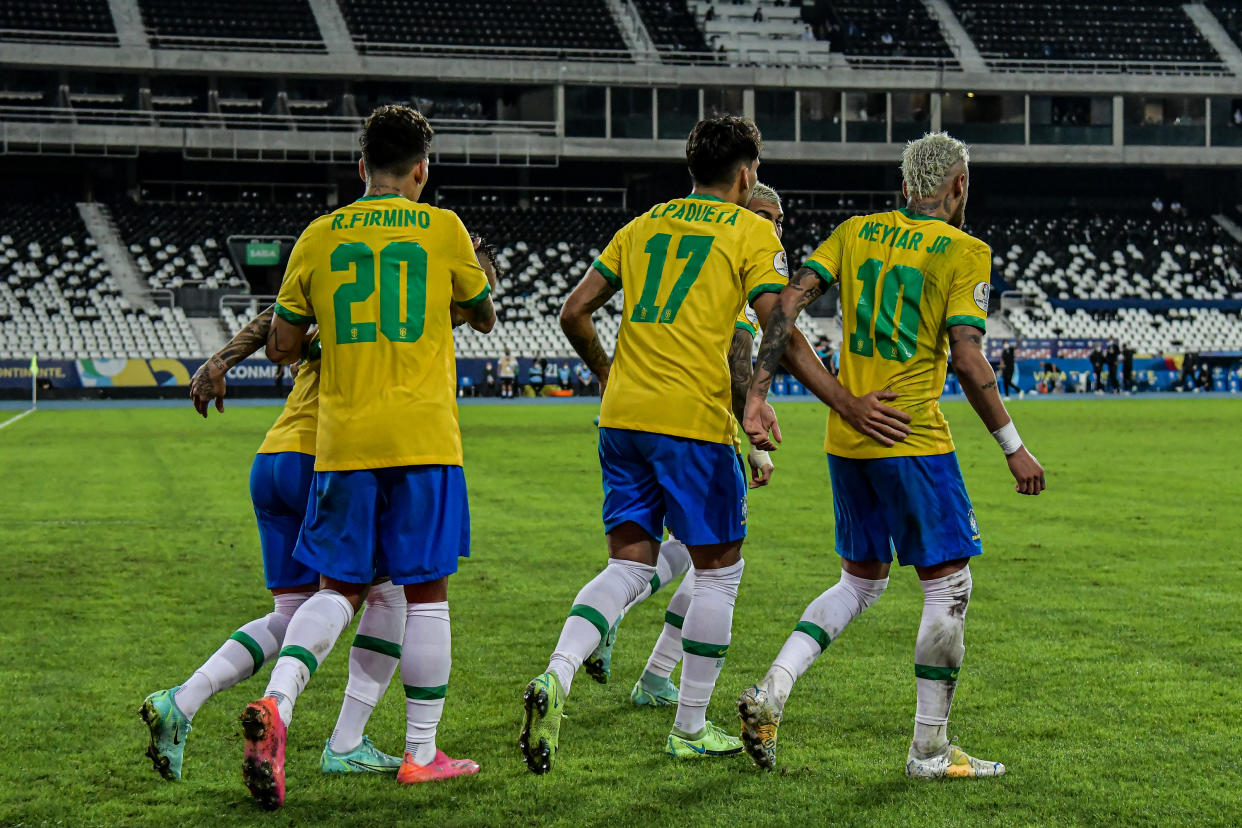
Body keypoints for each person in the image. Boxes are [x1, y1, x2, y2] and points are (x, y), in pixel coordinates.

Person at [518, 116, 910, 773]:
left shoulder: (642, 225)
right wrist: (835, 399)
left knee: (629, 567)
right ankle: (690, 727)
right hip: (690, 423)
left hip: (623, 419)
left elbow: (572, 312)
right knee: (720, 571)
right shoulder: (751, 229)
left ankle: (557, 673)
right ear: (747, 174)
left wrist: (610, 376)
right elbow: (777, 318)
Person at [737, 131, 1045, 780]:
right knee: (949, 584)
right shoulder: (966, 250)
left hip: (847, 439)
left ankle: (772, 691)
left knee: (862, 580)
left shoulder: (855, 231)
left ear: (906, 187)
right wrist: (1013, 448)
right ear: (958, 186)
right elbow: (967, 356)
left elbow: (786, 304)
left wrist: (759, 392)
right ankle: (929, 751)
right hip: (909, 435)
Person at [242, 104, 497, 809]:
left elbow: (283, 347)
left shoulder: (319, 236)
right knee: (426, 594)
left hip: (343, 441)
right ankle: (421, 753)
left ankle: (279, 704)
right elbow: (483, 312)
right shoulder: (443, 228)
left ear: (361, 167)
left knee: (336, 591)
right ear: (422, 168)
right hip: (423, 438)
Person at [140, 314, 407, 784]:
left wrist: (219, 362)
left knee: (288, 613)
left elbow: (277, 314)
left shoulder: (334, 291)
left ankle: (181, 701)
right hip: (325, 461)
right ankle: (336, 738)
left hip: (272, 458)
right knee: (383, 594)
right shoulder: (400, 301)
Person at [618, 181, 789, 709]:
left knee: (692, 557)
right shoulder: (731, 272)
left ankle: (648, 667)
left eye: (778, 219)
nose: (772, 226)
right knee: (712, 563)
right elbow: (739, 367)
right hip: (692, 431)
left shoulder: (724, 259)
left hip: (654, 419)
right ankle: (616, 626)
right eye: (762, 214)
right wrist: (756, 444)